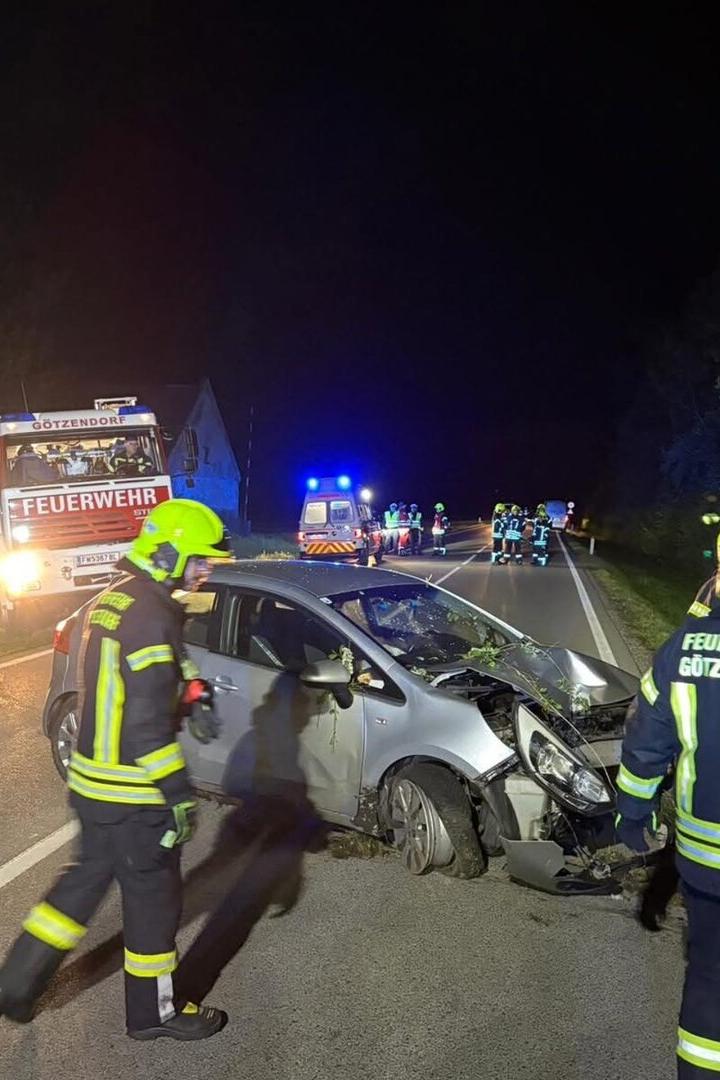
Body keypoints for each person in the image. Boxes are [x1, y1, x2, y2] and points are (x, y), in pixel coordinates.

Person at [0, 499, 231, 1041]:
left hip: (92, 783)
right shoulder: (152, 613)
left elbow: (148, 667)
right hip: (133, 794)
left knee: (80, 887)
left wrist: (191, 687)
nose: (205, 571)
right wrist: (177, 793)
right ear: (168, 553)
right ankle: (155, 1014)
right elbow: (146, 723)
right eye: (200, 560)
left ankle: (15, 983)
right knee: (153, 901)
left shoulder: (121, 598)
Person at [615, 558, 720, 1078]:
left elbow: (646, 744)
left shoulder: (684, 648)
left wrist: (633, 813)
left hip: (706, 865)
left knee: (710, 982)